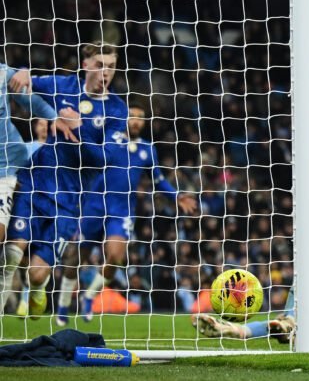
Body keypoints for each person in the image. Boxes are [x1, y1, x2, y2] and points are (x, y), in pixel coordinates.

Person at [2, 42, 120, 320]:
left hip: (69, 199)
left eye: (112, 67)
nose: (106, 72)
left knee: (36, 273)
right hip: (36, 181)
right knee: (11, 255)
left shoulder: (116, 110)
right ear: (86, 65)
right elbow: (27, 81)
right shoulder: (65, 85)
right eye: (100, 65)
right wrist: (24, 71)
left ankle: (38, 288)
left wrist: (81, 131)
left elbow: (104, 159)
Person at [71, 104, 198, 322]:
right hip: (95, 203)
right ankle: (63, 301)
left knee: (116, 257)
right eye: (133, 117)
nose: (137, 121)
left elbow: (158, 181)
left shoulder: (148, 149)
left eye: (141, 118)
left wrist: (176, 196)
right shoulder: (109, 137)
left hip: (122, 209)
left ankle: (89, 296)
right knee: (76, 256)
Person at [0, 66, 77, 311]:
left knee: (23, 263)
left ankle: (32, 289)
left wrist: (55, 118)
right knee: (11, 254)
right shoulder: (31, 149)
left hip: (11, 171)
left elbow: (27, 96)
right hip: (30, 191)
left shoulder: (2, 72)